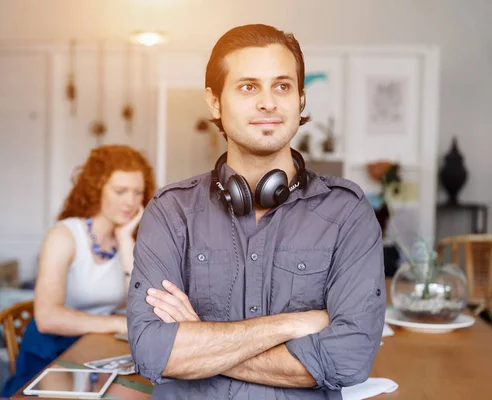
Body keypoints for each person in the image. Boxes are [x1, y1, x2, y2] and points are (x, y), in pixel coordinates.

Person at [126, 24, 386, 399]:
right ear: (215, 101)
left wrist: (199, 340)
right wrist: (292, 325)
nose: (268, 102)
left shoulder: (347, 212)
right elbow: (152, 351)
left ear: (300, 99)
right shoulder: (171, 211)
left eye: (282, 86)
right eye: (248, 87)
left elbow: (349, 359)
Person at [1, 145, 155, 396]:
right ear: (96, 189)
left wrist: (126, 240)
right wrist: (116, 323)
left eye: (138, 193)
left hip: (95, 350)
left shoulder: (128, 239)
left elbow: (138, 304)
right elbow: (48, 317)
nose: (130, 201)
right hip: (51, 352)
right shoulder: (64, 236)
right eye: (120, 191)